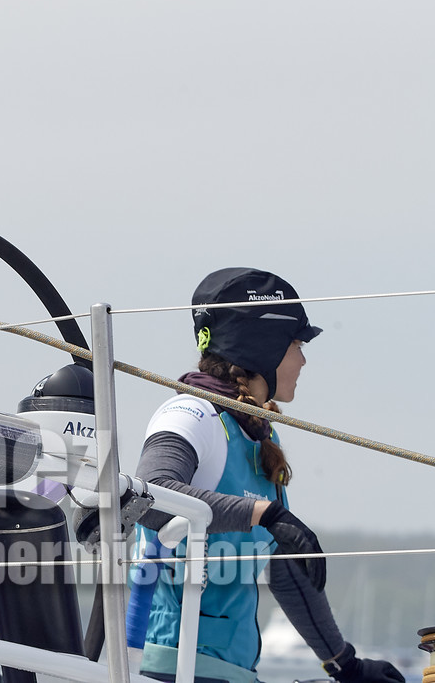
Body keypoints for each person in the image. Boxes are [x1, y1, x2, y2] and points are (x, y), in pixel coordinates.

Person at [134, 268, 404, 683]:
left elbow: (286, 569)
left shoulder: (260, 434)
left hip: (234, 674)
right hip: (173, 670)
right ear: (262, 346)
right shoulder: (190, 414)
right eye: (297, 343)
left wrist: (344, 664)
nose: (303, 358)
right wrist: (266, 513)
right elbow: (151, 498)